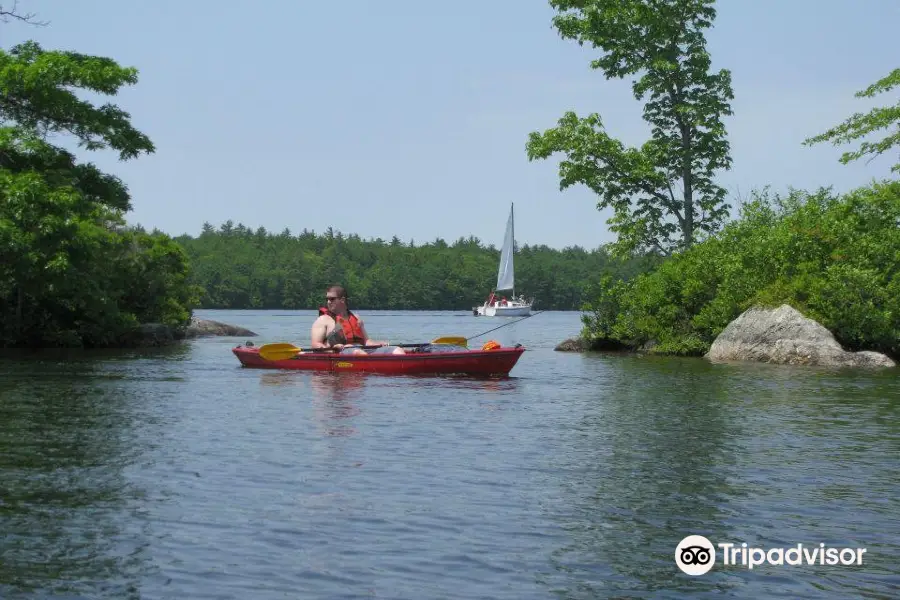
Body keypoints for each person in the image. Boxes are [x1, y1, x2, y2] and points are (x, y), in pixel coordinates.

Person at [310, 285, 406, 355]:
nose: (328, 302)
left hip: (361, 350)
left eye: (332, 299)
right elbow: (315, 344)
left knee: (397, 351)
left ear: (342, 300)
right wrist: (331, 349)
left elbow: (367, 342)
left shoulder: (356, 317)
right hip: (341, 353)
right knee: (358, 352)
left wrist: (379, 344)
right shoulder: (323, 320)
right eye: (327, 299)